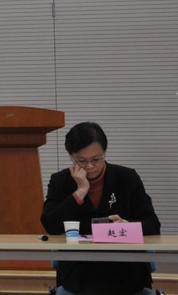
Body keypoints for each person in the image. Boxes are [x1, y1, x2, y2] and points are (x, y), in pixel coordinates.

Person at [41, 122, 160, 295]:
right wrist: (80, 192)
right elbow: (50, 224)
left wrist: (127, 225)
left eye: (96, 159)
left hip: (125, 271)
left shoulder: (126, 178)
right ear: (71, 156)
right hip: (80, 273)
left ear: (105, 152)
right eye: (82, 161)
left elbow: (153, 224)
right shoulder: (61, 181)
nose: (90, 166)